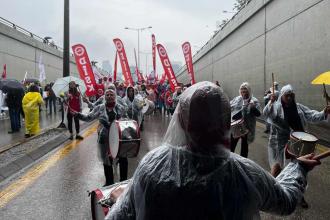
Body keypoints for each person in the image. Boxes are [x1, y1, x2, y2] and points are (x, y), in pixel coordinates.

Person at [106, 81, 320, 220]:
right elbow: (285, 201)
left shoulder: (152, 168)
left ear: (180, 119)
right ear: (227, 123)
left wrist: (123, 197)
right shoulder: (246, 173)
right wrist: (298, 168)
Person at [263, 84, 330, 208]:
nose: (289, 97)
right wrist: (270, 102)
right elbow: (266, 114)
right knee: (277, 168)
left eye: (291, 95)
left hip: (300, 142)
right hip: (281, 144)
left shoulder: (298, 107)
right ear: (281, 96)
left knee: (299, 170)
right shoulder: (276, 108)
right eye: (286, 95)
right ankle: (267, 191)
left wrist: (323, 112)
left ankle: (299, 196)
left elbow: (311, 115)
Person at [76, 88, 128, 186]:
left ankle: (123, 182)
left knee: (123, 158)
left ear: (115, 97)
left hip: (118, 138)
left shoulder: (121, 108)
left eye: (111, 95)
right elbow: (88, 118)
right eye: (107, 95)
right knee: (106, 161)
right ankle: (109, 183)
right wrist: (77, 114)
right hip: (104, 138)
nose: (109, 96)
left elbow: (126, 120)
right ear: (104, 97)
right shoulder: (99, 108)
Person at [230, 82, 261, 158]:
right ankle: (230, 161)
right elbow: (230, 108)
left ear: (249, 91)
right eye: (242, 91)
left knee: (244, 148)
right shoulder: (237, 99)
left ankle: (243, 164)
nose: (243, 93)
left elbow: (259, 114)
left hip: (247, 128)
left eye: (245, 91)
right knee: (231, 145)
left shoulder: (254, 101)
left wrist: (253, 108)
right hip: (236, 126)